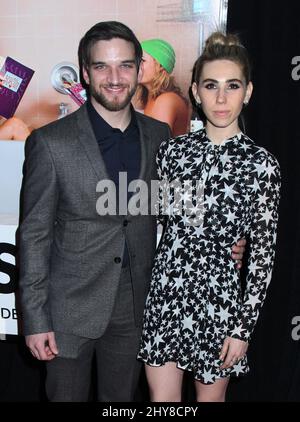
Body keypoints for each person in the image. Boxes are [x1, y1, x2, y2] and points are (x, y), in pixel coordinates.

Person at [19, 22, 246, 402]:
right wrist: (36, 319)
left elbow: (177, 204)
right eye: (102, 67)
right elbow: (34, 235)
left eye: (125, 65)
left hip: (137, 307)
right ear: (86, 73)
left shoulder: (159, 136)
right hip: (68, 310)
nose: (114, 78)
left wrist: (227, 241)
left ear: (140, 70)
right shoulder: (50, 143)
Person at [137, 32, 281, 402]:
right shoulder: (171, 152)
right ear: (196, 93)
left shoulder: (261, 166)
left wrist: (243, 329)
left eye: (232, 86)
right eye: (211, 86)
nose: (221, 98)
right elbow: (158, 222)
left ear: (247, 92)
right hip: (166, 294)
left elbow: (262, 257)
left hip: (220, 303)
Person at [134, 38, 189, 136]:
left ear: (160, 66)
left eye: (142, 60)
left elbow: (155, 144)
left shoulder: (167, 100)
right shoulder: (150, 98)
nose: (136, 65)